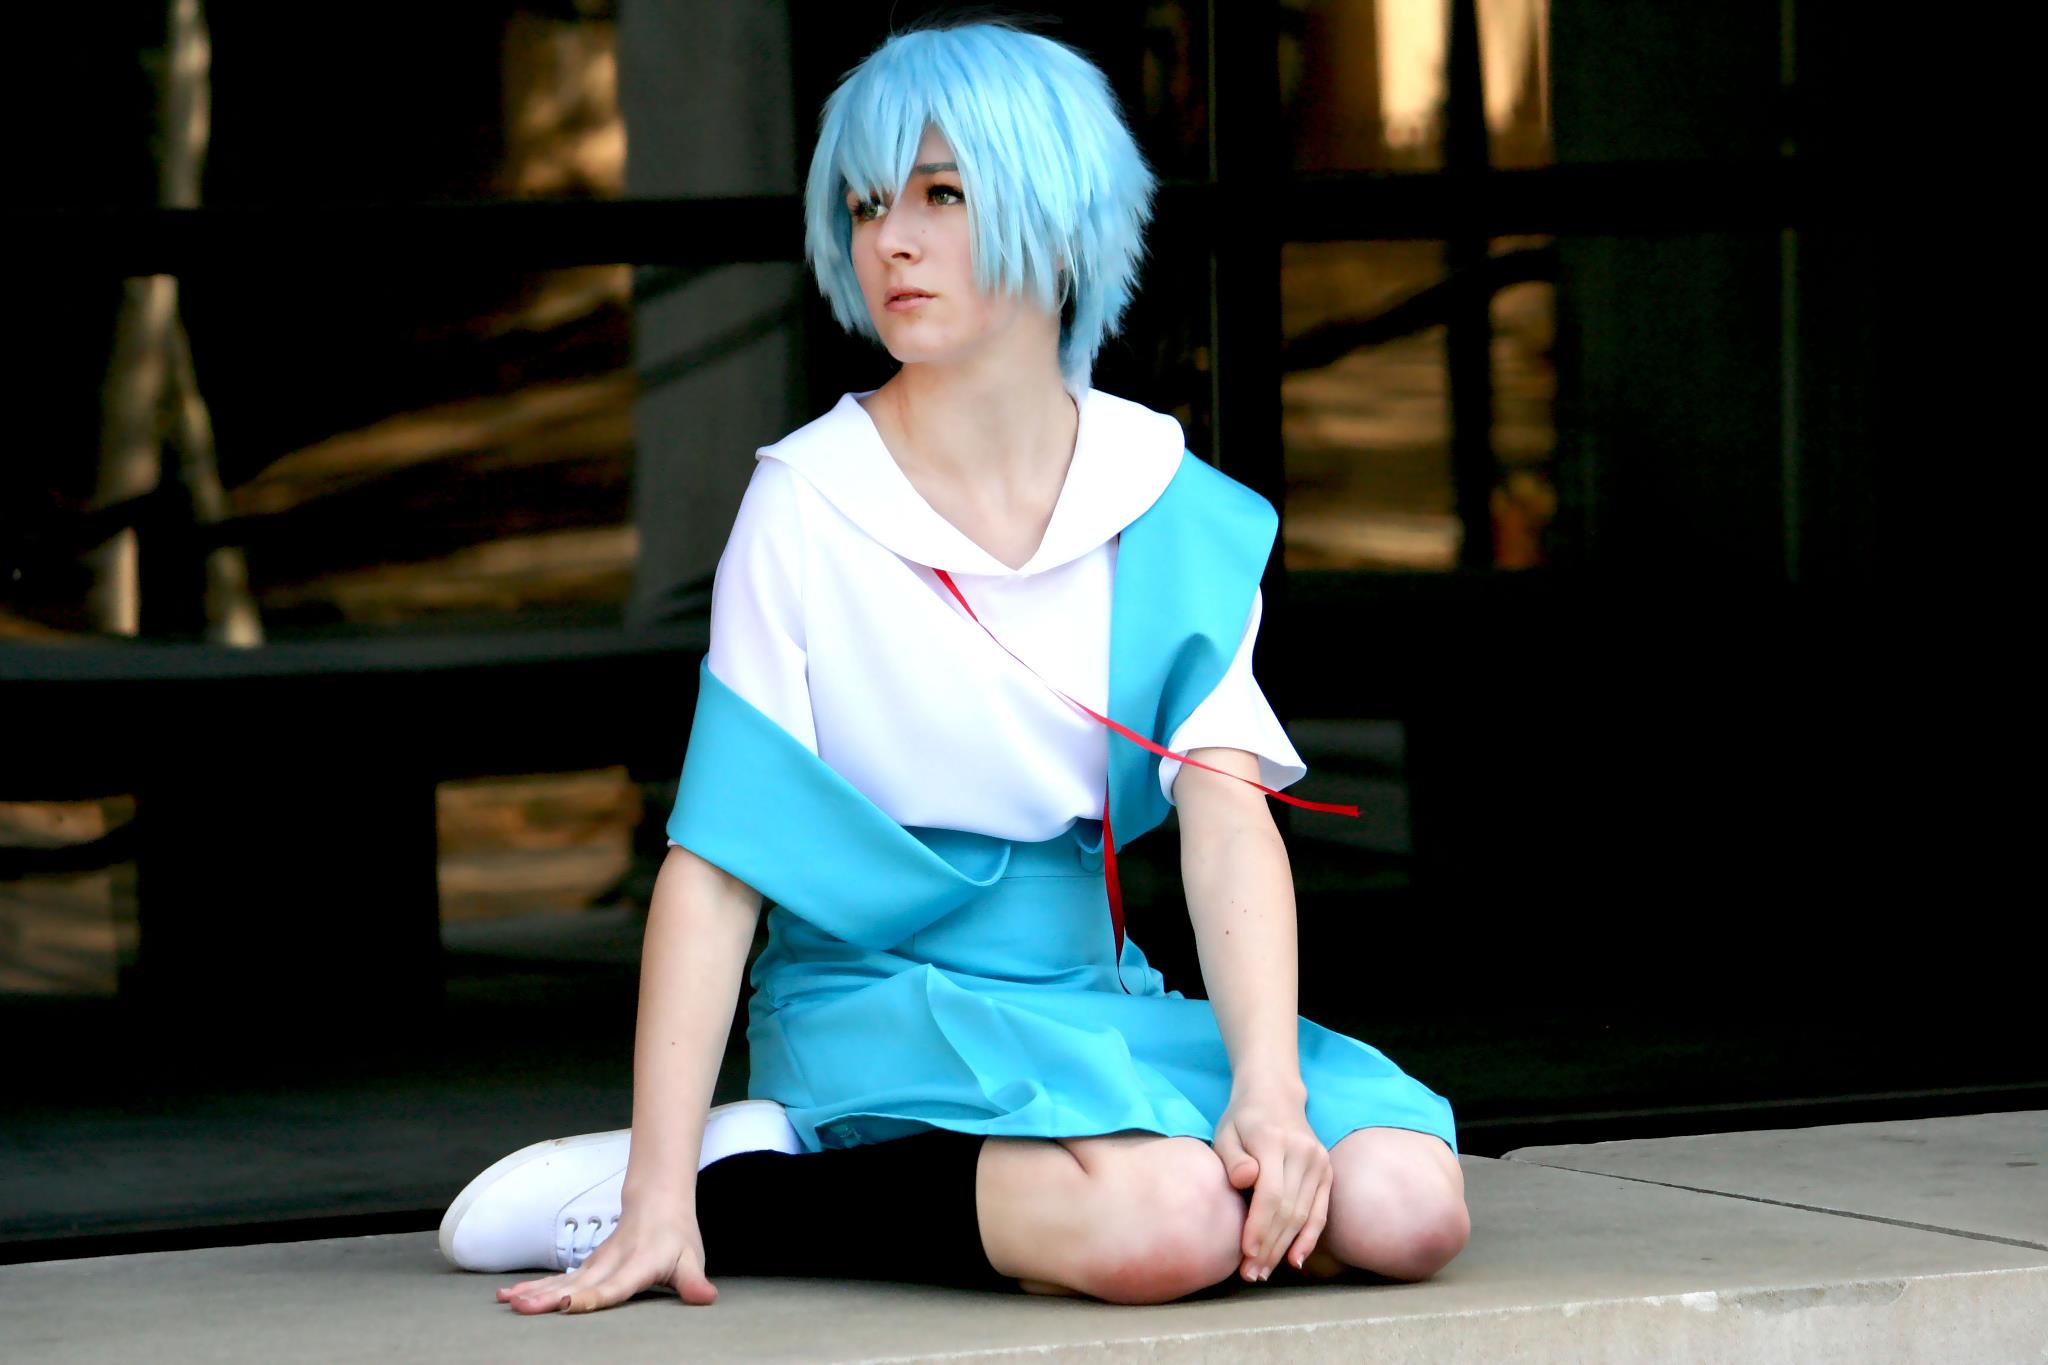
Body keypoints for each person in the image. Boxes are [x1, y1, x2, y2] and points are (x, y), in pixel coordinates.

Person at [438, 15, 1467, 1313]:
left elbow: (1225, 818)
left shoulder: (1162, 497)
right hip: (875, 997)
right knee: (1165, 1223)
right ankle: (731, 1185)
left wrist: (1268, 1088)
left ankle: (1028, 1172)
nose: (891, 241)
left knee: (1407, 1202)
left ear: (1059, 216)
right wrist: (657, 1189)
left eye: (941, 195)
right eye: (868, 204)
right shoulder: (809, 502)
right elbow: (717, 864)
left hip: (1085, 989)